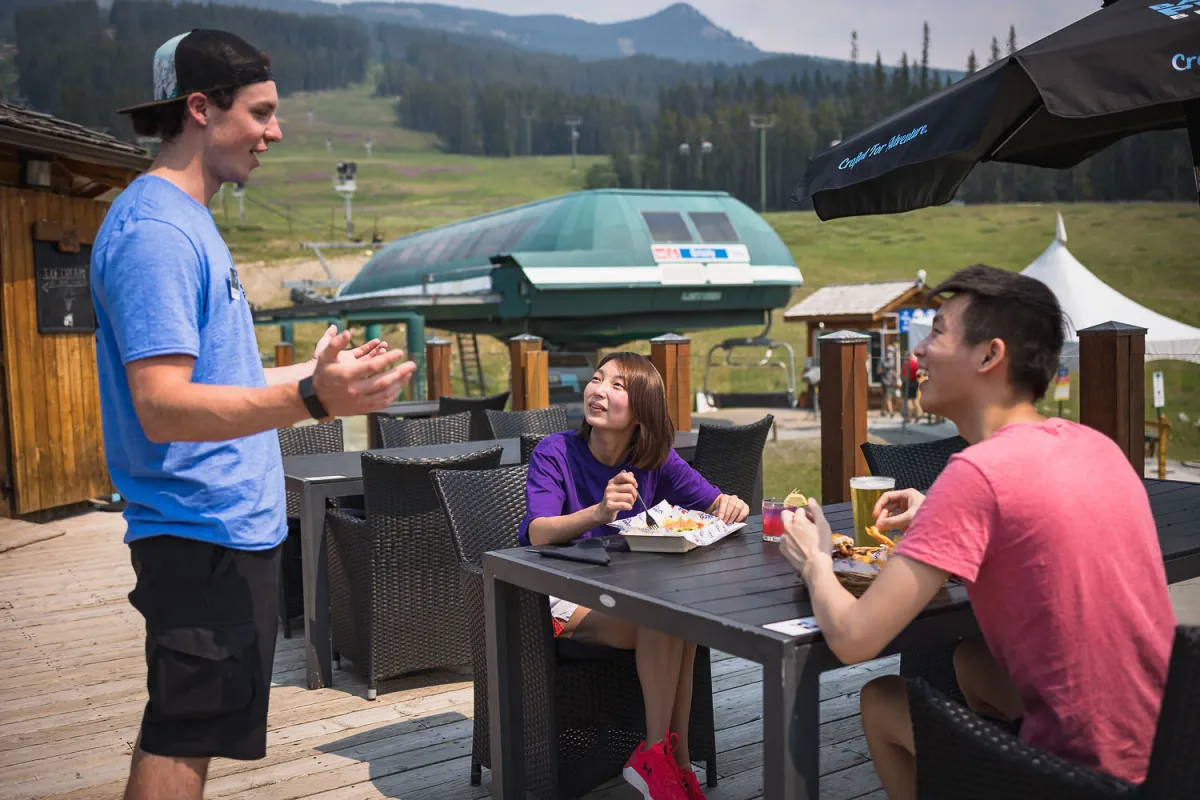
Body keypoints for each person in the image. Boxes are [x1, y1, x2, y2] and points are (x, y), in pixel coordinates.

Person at [92, 30, 416, 800]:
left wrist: (325, 372)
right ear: (200, 109)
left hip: (224, 532)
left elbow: (219, 375)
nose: (276, 133)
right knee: (181, 737)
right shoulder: (159, 235)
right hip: (197, 535)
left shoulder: (188, 221)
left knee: (188, 733)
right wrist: (310, 399)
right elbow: (163, 407)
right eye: (262, 113)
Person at [778, 264, 1174, 798]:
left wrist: (815, 559)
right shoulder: (1094, 446)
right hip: (1165, 753)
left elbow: (853, 639)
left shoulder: (976, 476)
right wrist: (940, 510)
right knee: (972, 660)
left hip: (1081, 777)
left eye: (938, 331)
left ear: (990, 355)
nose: (918, 351)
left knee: (880, 700)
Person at [519, 352, 750, 800]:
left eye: (617, 386)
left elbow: (714, 502)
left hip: (624, 595)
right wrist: (599, 512)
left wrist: (731, 503)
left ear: (641, 411)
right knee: (664, 618)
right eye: (597, 379)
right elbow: (538, 532)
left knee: (677, 617)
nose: (598, 390)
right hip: (558, 597)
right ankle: (661, 758)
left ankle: (668, 759)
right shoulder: (556, 452)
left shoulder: (653, 460)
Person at [880, 343, 899, 417]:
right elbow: (878, 371)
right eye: (889, 351)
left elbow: (894, 371)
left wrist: (895, 375)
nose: (890, 353)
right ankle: (891, 412)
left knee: (887, 397)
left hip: (891, 382)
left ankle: (883, 411)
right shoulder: (882, 360)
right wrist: (885, 369)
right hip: (885, 382)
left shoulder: (893, 360)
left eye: (891, 351)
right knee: (888, 397)